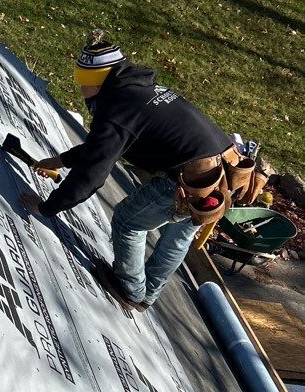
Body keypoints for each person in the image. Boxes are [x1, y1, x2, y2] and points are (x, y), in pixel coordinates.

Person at [20, 31, 234, 312]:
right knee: (179, 234)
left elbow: (92, 174)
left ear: (97, 81)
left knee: (127, 221)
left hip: (184, 181)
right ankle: (147, 296)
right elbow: (103, 148)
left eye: (83, 81)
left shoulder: (117, 109)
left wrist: (47, 207)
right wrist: (60, 160)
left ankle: (130, 290)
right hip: (221, 174)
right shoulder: (137, 90)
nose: (81, 90)